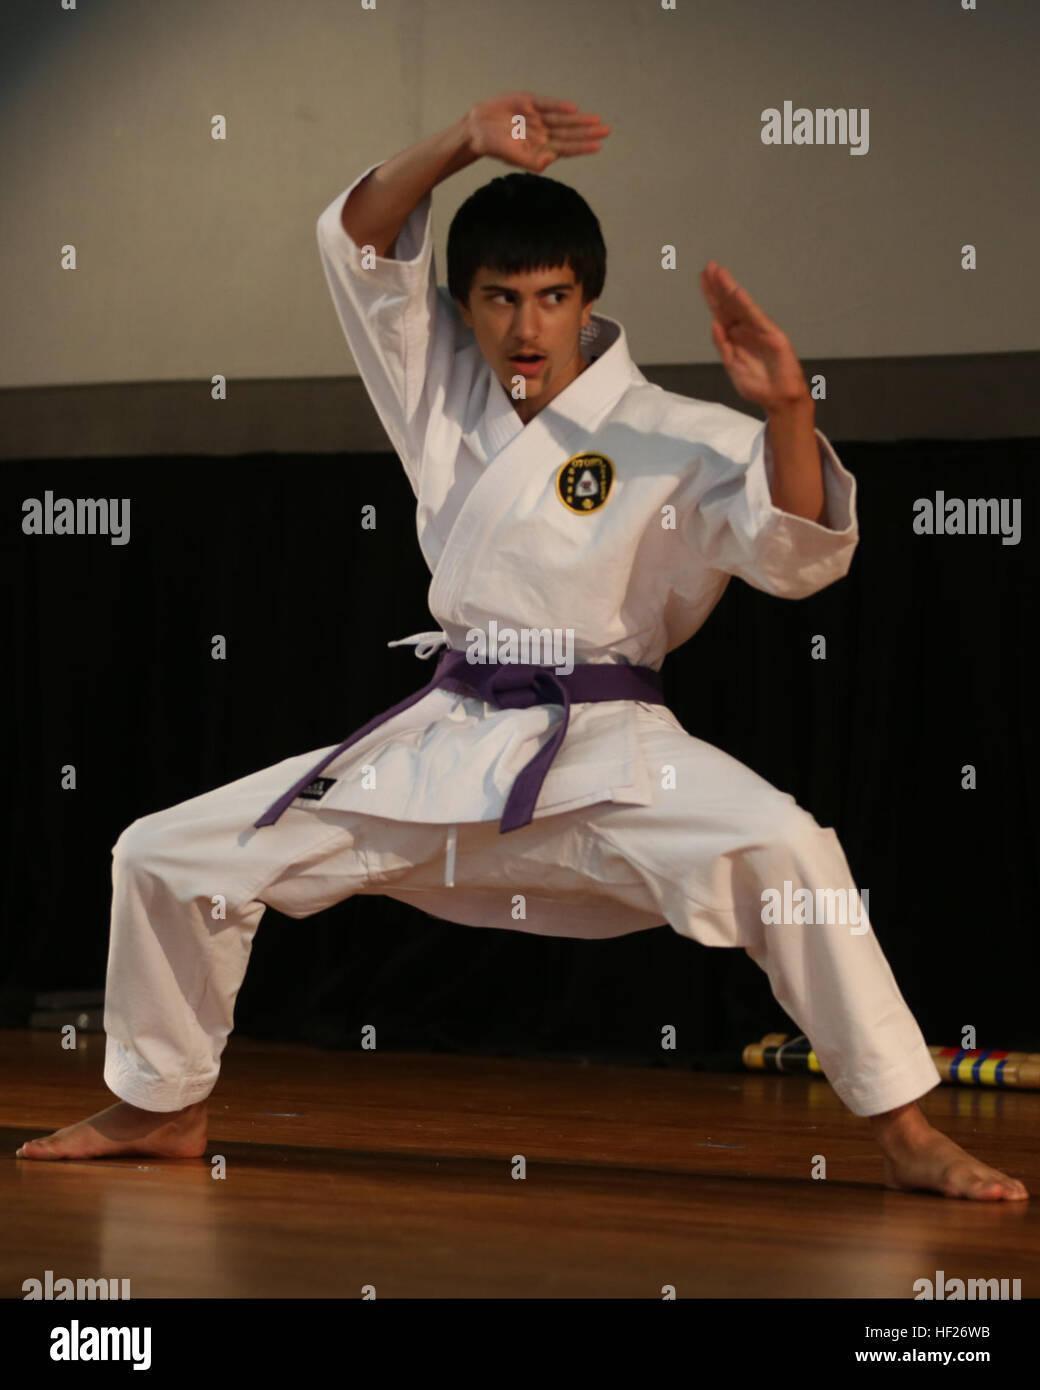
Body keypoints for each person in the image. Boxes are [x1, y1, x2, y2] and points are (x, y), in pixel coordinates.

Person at [17, 92, 1027, 1202]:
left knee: (791, 854)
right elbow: (354, 242)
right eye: (499, 299)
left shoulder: (677, 433)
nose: (526, 328)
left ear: (588, 301)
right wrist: (459, 139)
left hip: (606, 748)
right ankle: (162, 1105)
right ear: (464, 305)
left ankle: (905, 1130)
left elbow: (795, 555)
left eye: (551, 298)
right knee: (165, 852)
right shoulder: (436, 388)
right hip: (444, 741)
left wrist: (788, 410)